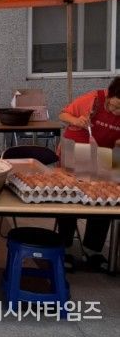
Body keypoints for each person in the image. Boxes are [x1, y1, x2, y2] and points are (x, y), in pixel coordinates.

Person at [57, 77, 120, 271]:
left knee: (105, 199)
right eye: (114, 106)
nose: (116, 112)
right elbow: (63, 114)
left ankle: (93, 250)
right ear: (109, 96)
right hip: (78, 149)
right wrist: (77, 120)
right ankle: (64, 247)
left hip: (107, 154)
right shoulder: (93, 99)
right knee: (71, 197)